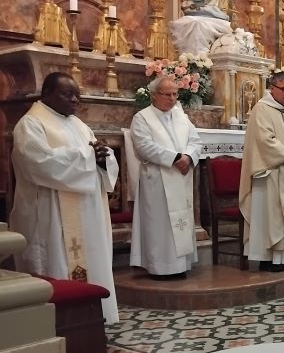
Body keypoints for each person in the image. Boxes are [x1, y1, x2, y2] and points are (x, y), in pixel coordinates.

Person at [10, 72, 120, 324]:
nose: (74, 100)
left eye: (77, 95)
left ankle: (96, 316)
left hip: (87, 210)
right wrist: (88, 157)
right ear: (47, 93)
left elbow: (97, 155)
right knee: (57, 260)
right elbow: (37, 163)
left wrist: (103, 158)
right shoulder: (31, 124)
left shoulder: (79, 124)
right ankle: (59, 320)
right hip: (52, 211)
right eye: (67, 94)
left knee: (92, 257)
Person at [129, 77, 202, 279]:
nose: (172, 99)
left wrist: (188, 157)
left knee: (180, 222)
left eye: (175, 94)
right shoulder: (142, 118)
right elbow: (144, 146)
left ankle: (181, 265)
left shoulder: (181, 116)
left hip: (181, 177)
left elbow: (195, 142)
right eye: (167, 94)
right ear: (154, 95)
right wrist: (175, 158)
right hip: (158, 179)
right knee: (160, 224)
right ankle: (160, 267)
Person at [239, 71, 284, 272]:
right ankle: (270, 258)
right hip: (271, 174)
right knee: (273, 216)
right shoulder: (261, 110)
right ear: (272, 88)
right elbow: (264, 140)